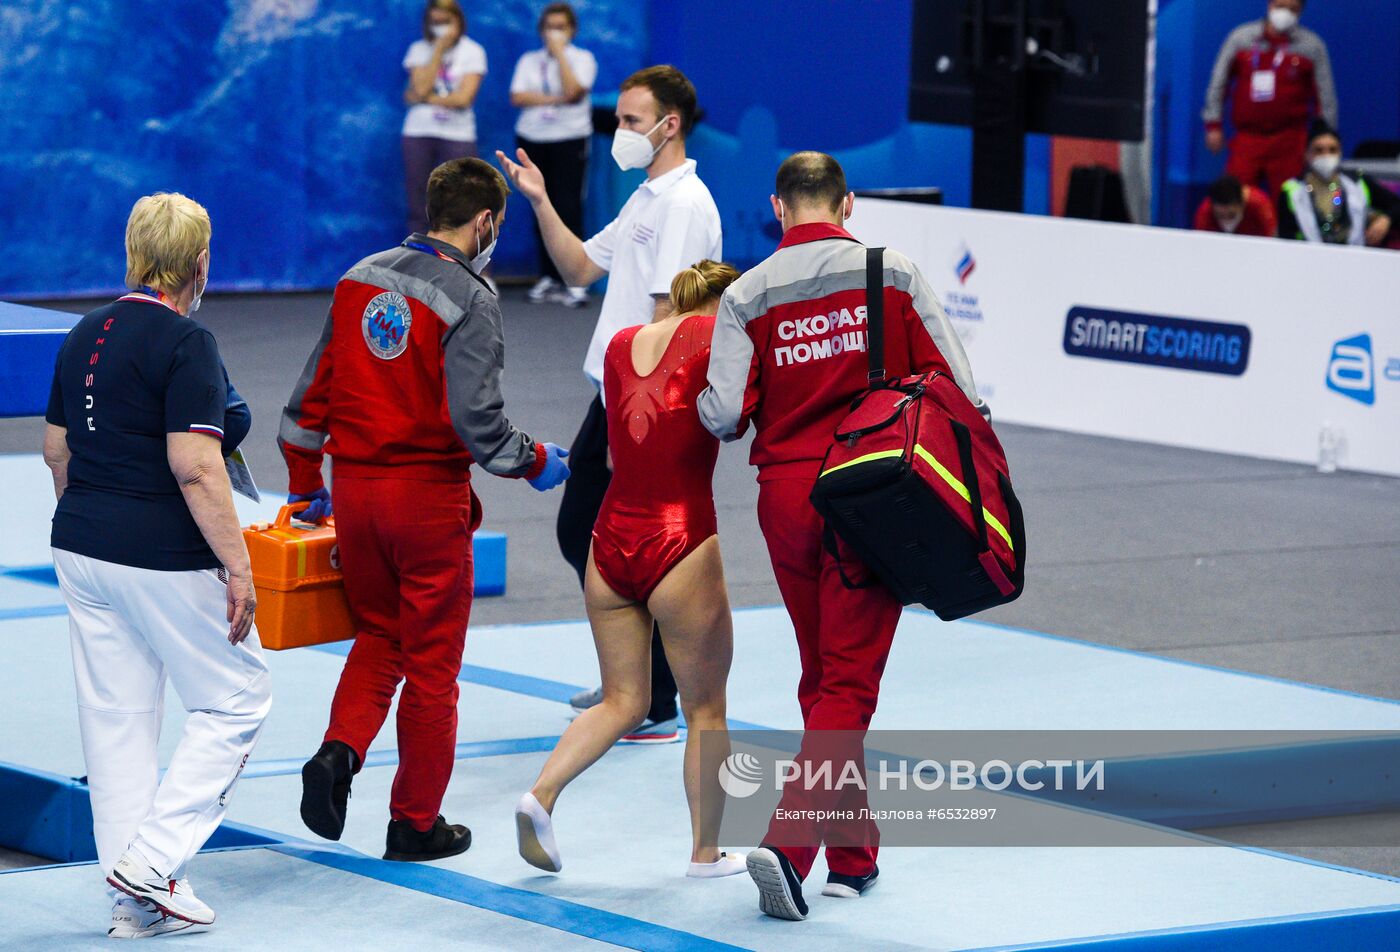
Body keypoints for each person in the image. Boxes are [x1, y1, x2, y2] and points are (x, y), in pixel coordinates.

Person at [697, 153, 984, 921]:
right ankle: (791, 849)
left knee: (825, 675)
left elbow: (722, 417)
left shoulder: (747, 293)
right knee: (847, 683)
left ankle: (854, 858)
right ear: (848, 204)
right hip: (874, 491)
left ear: (777, 207)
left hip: (786, 498)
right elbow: (961, 388)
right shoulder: (894, 274)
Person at [280, 157, 570, 862]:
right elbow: (477, 422)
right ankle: (414, 823)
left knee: (379, 637)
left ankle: (338, 754)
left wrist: (301, 484)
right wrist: (535, 462)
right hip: (425, 503)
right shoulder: (471, 297)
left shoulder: (358, 277)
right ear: (485, 222)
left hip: (354, 494)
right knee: (434, 668)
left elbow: (304, 406)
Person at [42, 192, 270, 937]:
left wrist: (90, 523)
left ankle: (133, 906)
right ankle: (153, 861)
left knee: (117, 721)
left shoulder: (81, 333)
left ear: (134, 253)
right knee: (236, 698)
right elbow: (197, 466)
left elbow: (57, 450)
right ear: (199, 263)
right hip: (158, 554)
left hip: (79, 545)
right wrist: (238, 566)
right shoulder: (186, 341)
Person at [497, 64, 721, 744]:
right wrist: (539, 199)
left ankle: (650, 700)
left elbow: (667, 320)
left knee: (616, 543)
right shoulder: (646, 198)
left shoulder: (684, 206)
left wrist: (637, 420)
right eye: (619, 119)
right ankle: (634, 685)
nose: (620, 132)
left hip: (644, 406)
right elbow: (579, 269)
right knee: (588, 537)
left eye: (630, 120)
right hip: (616, 396)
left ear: (668, 124)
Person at [514, 260, 746, 879]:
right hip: (681, 538)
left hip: (610, 539)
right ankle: (706, 854)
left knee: (622, 699)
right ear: (724, 305)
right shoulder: (718, 338)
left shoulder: (620, 345)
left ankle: (540, 794)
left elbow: (624, 440)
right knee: (706, 711)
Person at [1203, 0, 1337, 201]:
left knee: (1290, 200)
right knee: (1236, 197)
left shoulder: (1312, 45)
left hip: (1290, 139)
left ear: (1301, 11)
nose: (1286, 13)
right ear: (1270, 5)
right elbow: (1219, 81)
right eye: (1281, 6)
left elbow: (1325, 96)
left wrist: (1325, 136)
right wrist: (1213, 124)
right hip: (1248, 138)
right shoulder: (1241, 38)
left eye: (1293, 9)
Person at [510, 2, 597, 308]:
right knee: (540, 206)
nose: (554, 33)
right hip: (533, 138)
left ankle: (574, 280)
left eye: (561, 27)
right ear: (541, 30)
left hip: (570, 139)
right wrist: (556, 98)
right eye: (550, 27)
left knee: (568, 206)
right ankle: (548, 276)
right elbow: (517, 96)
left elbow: (575, 92)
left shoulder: (583, 58)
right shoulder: (528, 60)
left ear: (571, 30)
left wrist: (559, 54)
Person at [402, 0, 487, 234]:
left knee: (466, 198)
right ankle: (420, 263)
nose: (441, 28)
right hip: (418, 132)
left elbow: (463, 99)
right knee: (420, 199)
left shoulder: (473, 51)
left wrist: (423, 98)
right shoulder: (418, 50)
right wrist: (438, 50)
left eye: (446, 22)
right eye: (435, 22)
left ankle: (474, 264)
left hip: (457, 134)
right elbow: (419, 90)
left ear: (458, 21)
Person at [1279, 121, 1398, 247]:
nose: (1326, 156)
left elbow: (1396, 205)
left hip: (1355, 258)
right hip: (1310, 259)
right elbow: (1286, 238)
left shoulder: (1357, 183)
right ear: (1307, 154)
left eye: (1332, 150)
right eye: (1319, 150)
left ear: (1340, 153)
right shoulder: (1292, 191)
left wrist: (1386, 219)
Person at [1192, 174, 1277, 237]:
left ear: (1242, 203)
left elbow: (1273, 237)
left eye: (1231, 214)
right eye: (1220, 215)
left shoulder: (1259, 205)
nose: (1226, 219)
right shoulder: (1205, 211)